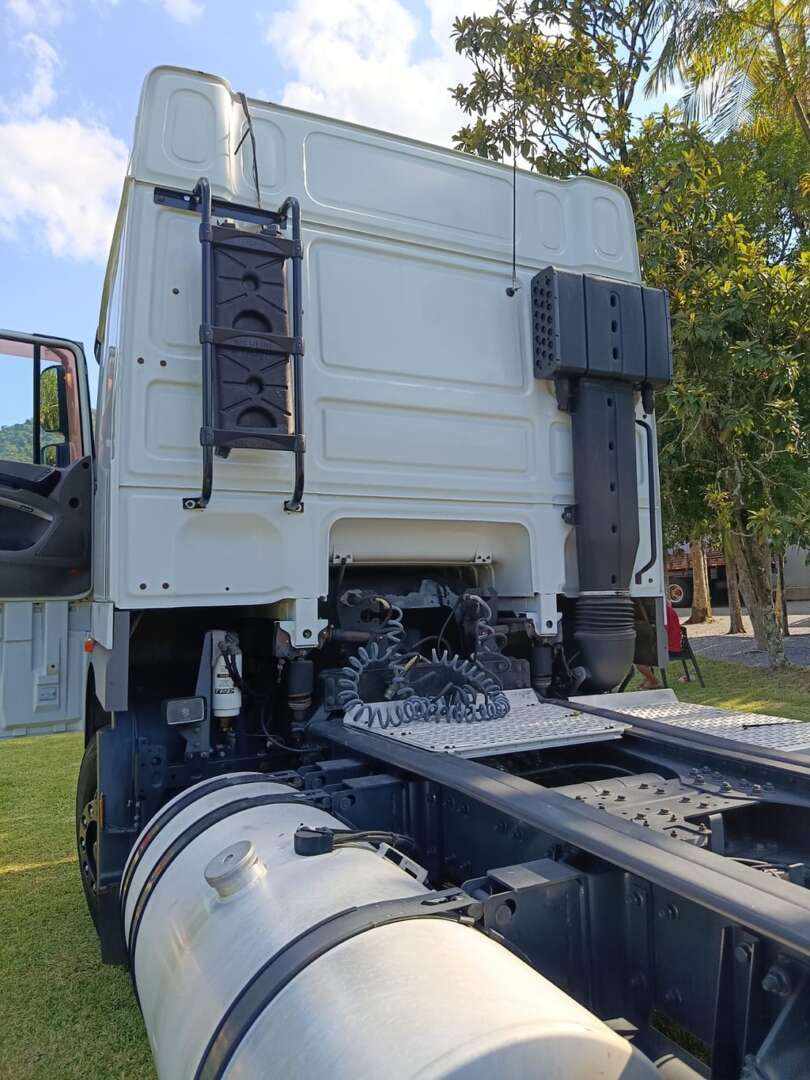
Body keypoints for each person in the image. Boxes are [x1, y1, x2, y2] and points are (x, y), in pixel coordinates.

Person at [636, 602, 682, 690]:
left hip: (669, 648)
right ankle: (649, 680)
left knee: (639, 661)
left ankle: (654, 682)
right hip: (672, 645)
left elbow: (662, 633)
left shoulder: (664, 614)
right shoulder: (667, 611)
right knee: (643, 654)